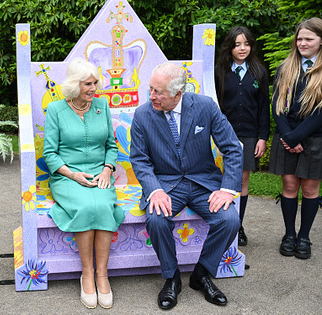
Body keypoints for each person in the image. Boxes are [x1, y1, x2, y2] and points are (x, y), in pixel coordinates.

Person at [130, 62, 243, 310]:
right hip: (166, 184)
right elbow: (139, 159)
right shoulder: (142, 114)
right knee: (157, 220)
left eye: (158, 92)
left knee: (230, 220)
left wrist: (227, 188)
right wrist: (155, 189)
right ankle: (172, 278)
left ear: (178, 93)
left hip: (203, 181)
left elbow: (233, 148)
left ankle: (201, 274)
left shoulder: (205, 106)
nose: (151, 96)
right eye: (150, 89)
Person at [42, 58, 124, 309]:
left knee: (101, 205)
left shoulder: (102, 105)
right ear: (74, 85)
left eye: (95, 83)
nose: (93, 88)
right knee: (87, 207)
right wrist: (72, 174)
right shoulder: (56, 110)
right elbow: (50, 153)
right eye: (88, 83)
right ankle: (87, 273)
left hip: (100, 174)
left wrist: (108, 170)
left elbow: (111, 145)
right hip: (67, 177)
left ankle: (102, 274)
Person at [270, 17, 322, 260]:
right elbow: (277, 105)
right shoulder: (286, 67)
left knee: (310, 189)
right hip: (286, 137)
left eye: (309, 39)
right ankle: (289, 235)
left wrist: (297, 137)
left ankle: (304, 236)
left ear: (320, 41)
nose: (302, 43)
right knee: (289, 186)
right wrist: (289, 137)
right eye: (299, 38)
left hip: (314, 140)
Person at [215, 26, 270, 246]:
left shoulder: (259, 72)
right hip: (221, 134)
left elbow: (264, 106)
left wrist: (262, 137)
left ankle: (237, 225)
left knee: (242, 180)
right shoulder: (220, 71)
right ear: (230, 46)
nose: (242, 48)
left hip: (248, 135)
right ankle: (221, 223)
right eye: (237, 44)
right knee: (220, 177)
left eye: (246, 44)